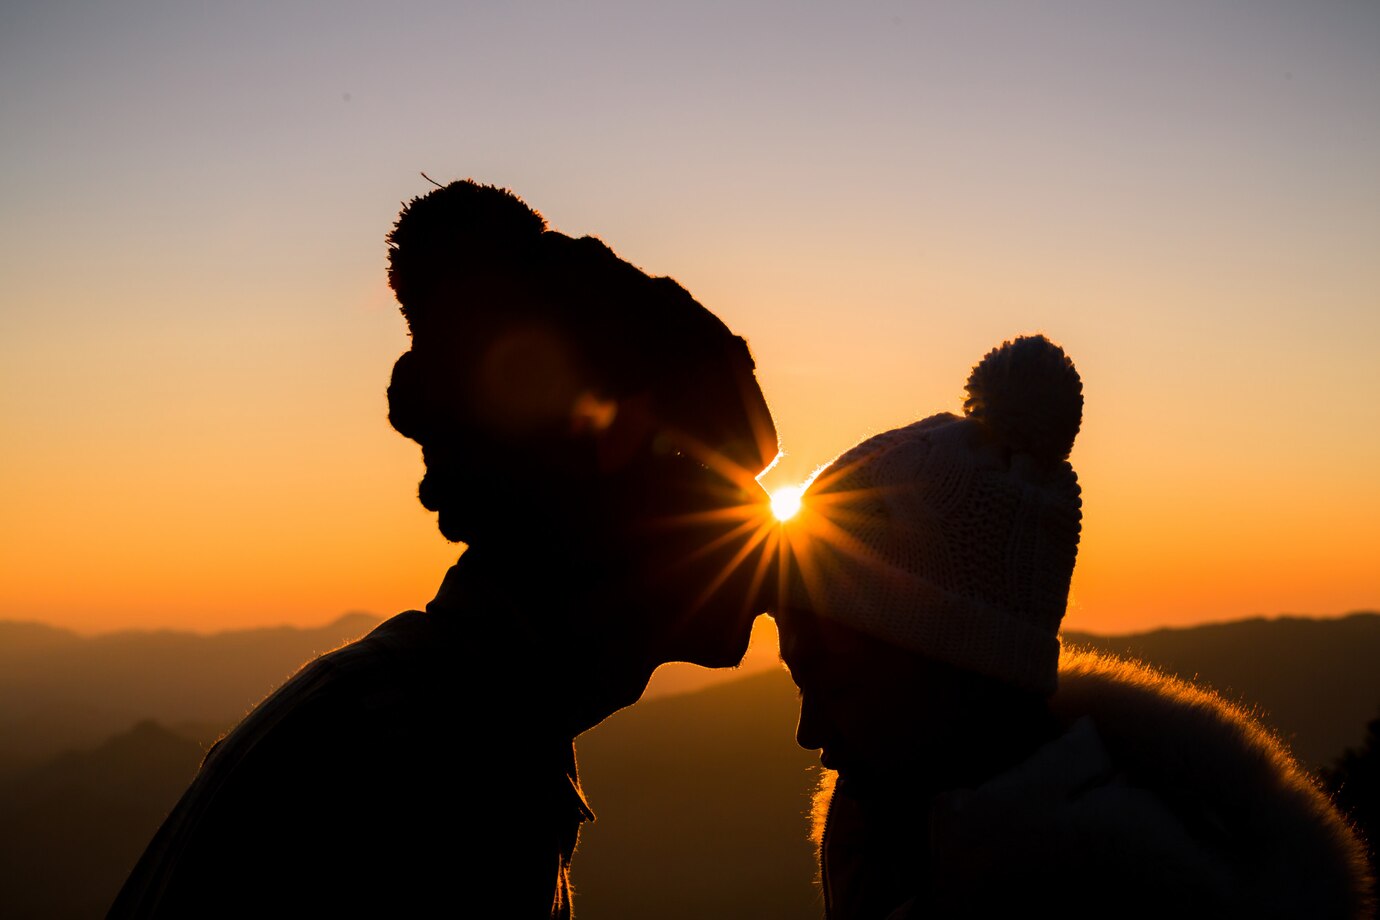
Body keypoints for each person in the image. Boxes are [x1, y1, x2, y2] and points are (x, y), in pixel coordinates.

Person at [109, 180, 780, 918]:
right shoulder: (443, 780)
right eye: (702, 545)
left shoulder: (434, 720)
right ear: (597, 555)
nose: (733, 628)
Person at [774, 334, 1373, 918]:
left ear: (968, 668)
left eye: (840, 687)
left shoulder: (1119, 891)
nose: (809, 730)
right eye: (802, 682)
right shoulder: (896, 836)